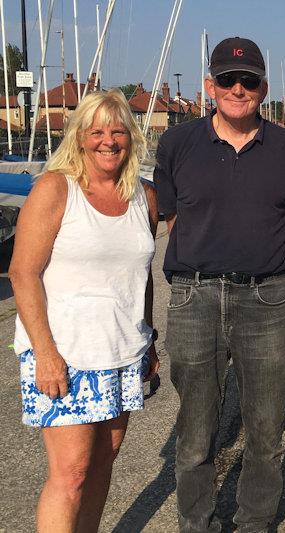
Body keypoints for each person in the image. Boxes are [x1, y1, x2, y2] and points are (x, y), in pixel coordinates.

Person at [154, 37, 285, 532]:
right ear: (209, 86)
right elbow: (173, 218)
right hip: (195, 297)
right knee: (196, 431)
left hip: (269, 298)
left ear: (263, 88)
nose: (237, 89)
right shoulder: (177, 143)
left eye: (248, 81)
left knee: (265, 430)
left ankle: (255, 523)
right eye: (227, 79)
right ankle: (195, 524)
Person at [9, 89, 159, 532]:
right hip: (66, 354)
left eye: (118, 131)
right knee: (70, 473)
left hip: (123, 352)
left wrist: (149, 340)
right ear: (78, 137)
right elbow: (22, 273)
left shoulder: (142, 197)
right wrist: (45, 353)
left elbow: (143, 276)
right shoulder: (56, 188)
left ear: (132, 138)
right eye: (96, 131)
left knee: (101, 466)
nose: (108, 141)